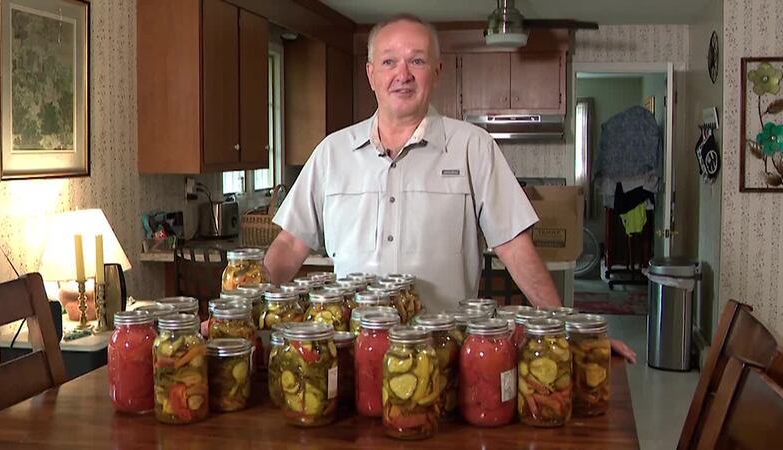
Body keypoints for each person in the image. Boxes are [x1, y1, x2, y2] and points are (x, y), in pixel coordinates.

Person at [264, 14, 636, 363]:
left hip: (445, 353)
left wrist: (566, 329)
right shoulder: (332, 153)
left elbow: (513, 246)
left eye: (418, 61)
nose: (403, 75)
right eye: (389, 62)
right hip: (350, 355)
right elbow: (290, 244)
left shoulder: (474, 147)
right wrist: (245, 310)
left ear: (437, 72)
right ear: (371, 74)